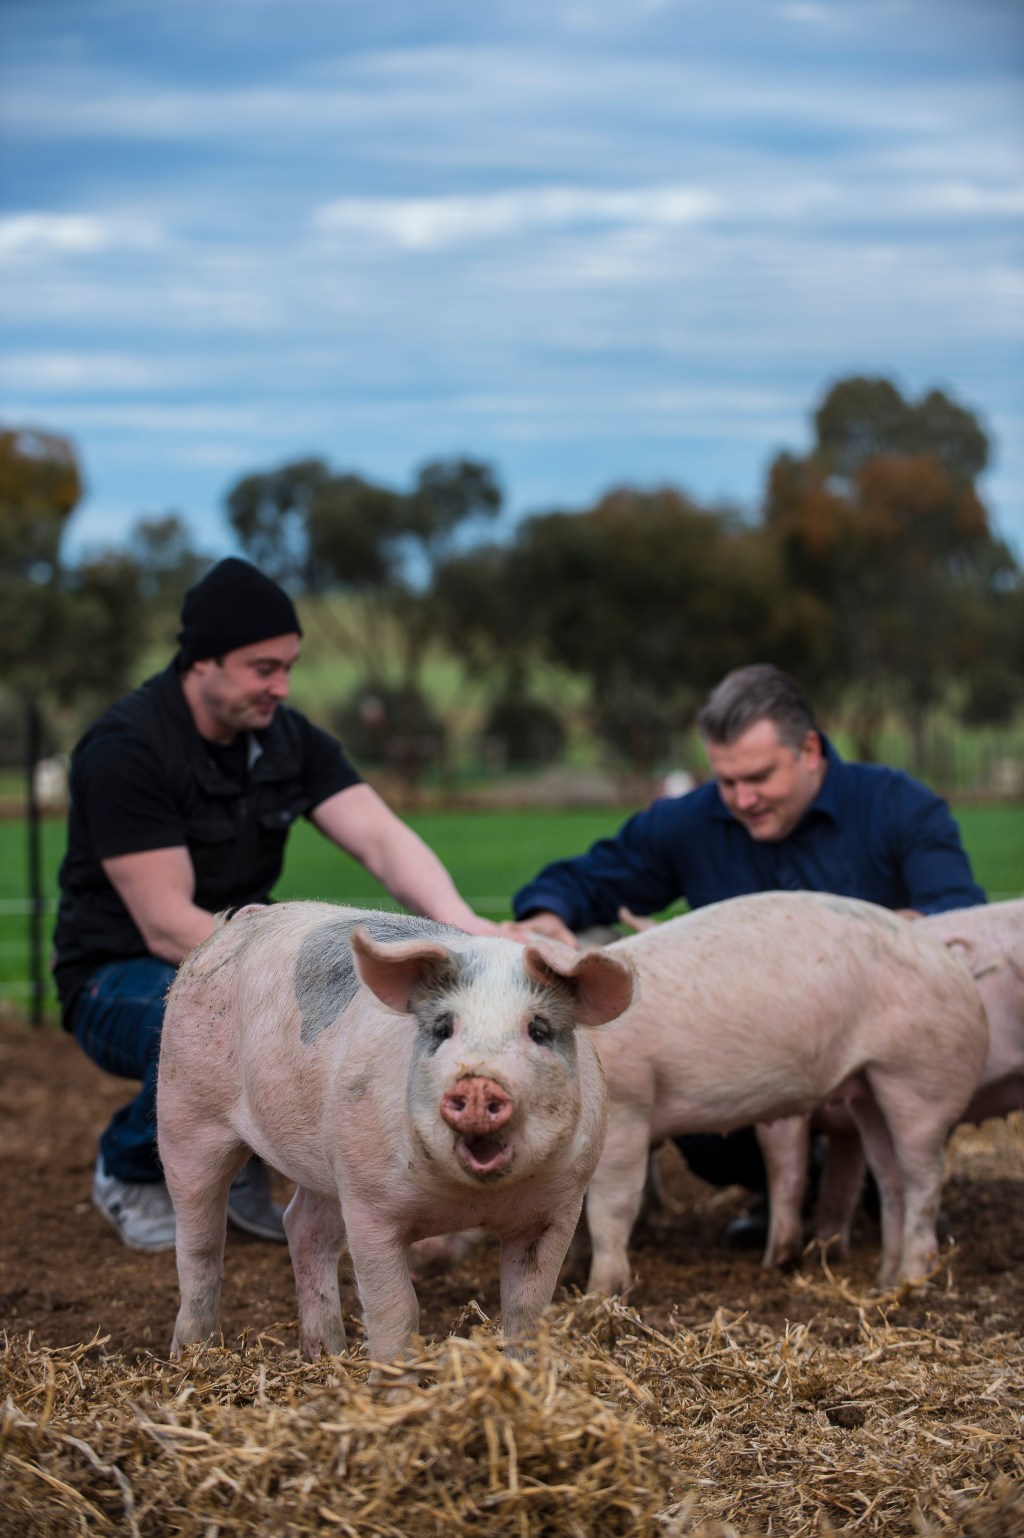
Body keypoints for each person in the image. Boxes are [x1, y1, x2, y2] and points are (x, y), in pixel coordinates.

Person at [53, 558, 499, 1254]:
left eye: (289, 666)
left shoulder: (286, 740)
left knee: (274, 1023)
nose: (282, 687)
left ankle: (234, 1163)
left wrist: (470, 931)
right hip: (117, 972)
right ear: (203, 661)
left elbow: (381, 840)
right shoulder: (127, 750)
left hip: (238, 957)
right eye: (264, 668)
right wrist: (282, 993)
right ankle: (132, 1165)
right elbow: (167, 922)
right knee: (210, 1029)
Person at [511, 662, 987, 1247]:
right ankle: (790, 1187)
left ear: (809, 750)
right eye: (727, 781)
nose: (741, 798)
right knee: (710, 1142)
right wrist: (544, 920)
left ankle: (897, 1192)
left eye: (758, 777)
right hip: (751, 1056)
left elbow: (955, 916)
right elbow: (581, 880)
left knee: (921, 1063)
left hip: (873, 1039)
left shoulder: (898, 807)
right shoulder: (692, 820)